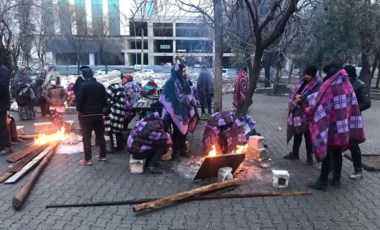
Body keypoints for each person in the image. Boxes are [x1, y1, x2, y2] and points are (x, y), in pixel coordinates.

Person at [306, 64, 366, 191]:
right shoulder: (348, 86)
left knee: (327, 152)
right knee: (338, 152)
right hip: (343, 127)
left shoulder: (329, 87)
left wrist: (308, 109)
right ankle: (336, 180)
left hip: (330, 126)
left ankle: (322, 181)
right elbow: (353, 106)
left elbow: (318, 104)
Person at [284, 66, 322, 165]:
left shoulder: (318, 84)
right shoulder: (303, 81)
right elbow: (296, 91)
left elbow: (315, 98)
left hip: (308, 114)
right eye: (306, 74)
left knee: (308, 136)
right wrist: (296, 97)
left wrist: (302, 99)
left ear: (313, 75)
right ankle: (295, 153)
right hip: (297, 112)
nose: (307, 76)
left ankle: (309, 157)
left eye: (309, 75)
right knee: (297, 133)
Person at [159, 64, 198, 159]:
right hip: (173, 112)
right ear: (178, 72)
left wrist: (192, 103)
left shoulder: (184, 82)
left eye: (185, 71)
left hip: (184, 112)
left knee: (183, 132)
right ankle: (175, 151)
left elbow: (189, 95)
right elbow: (166, 98)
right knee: (176, 132)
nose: (185, 73)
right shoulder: (169, 82)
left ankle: (182, 150)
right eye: (183, 71)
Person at [76, 66, 108, 166]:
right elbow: (105, 101)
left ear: (84, 76)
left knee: (86, 137)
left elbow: (79, 100)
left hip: (86, 115)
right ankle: (103, 155)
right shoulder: (100, 86)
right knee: (100, 136)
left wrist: (80, 110)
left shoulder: (83, 86)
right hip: (98, 114)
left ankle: (88, 159)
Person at [344, 65, 371, 180]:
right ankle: (332, 165)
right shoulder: (345, 83)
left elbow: (367, 103)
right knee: (337, 141)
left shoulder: (360, 85)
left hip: (353, 119)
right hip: (342, 117)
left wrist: (353, 110)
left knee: (353, 143)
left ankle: (358, 171)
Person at [104, 71, 125, 153]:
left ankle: (115, 147)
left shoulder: (113, 87)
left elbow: (106, 98)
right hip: (120, 110)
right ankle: (120, 146)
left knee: (112, 130)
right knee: (118, 129)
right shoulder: (120, 85)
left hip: (113, 111)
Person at [0, 59, 12, 155]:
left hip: (1, 103)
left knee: (2, 126)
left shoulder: (3, 70)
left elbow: (3, 86)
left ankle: (7, 146)